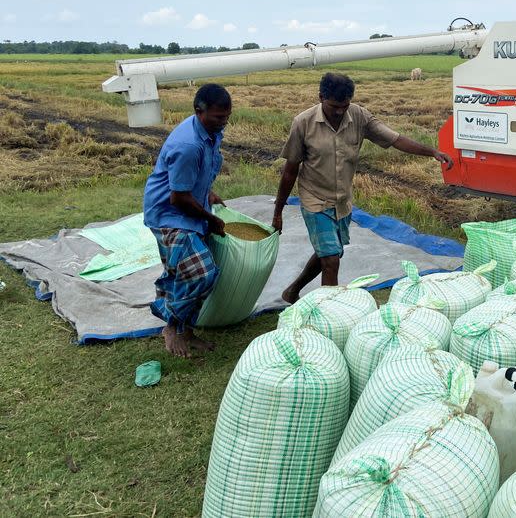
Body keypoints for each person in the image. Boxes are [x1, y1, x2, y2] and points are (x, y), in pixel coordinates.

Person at [272, 72, 454, 304]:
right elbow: (290, 170)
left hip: (342, 200)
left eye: (345, 106)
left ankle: (292, 291)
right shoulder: (303, 123)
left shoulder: (359, 116)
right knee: (331, 260)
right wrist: (278, 211)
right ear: (320, 97)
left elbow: (395, 139)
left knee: (332, 252)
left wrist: (432, 152)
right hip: (314, 199)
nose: (340, 111)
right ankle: (330, 313)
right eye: (334, 106)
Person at [143, 83, 231, 357]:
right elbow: (178, 198)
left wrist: (208, 194)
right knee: (200, 273)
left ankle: (186, 330)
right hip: (170, 214)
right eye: (218, 117)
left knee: (181, 270)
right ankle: (172, 326)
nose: (224, 122)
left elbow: (199, 173)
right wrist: (210, 219)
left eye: (227, 116)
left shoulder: (209, 131)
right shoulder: (188, 145)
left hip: (187, 208)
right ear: (198, 111)